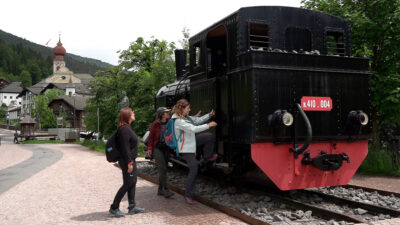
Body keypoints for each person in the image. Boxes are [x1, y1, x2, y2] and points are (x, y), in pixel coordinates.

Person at [172, 99, 218, 204]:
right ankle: (188, 195)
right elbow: (193, 128)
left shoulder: (185, 117)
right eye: (188, 108)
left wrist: (209, 115)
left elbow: (197, 121)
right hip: (186, 148)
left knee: (208, 136)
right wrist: (208, 125)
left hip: (191, 142)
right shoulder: (179, 121)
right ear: (182, 109)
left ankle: (207, 156)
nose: (190, 110)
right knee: (194, 169)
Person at [109, 107, 144, 217]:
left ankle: (132, 207)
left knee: (132, 182)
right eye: (132, 112)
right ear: (127, 115)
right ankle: (114, 207)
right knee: (128, 183)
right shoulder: (124, 129)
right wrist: (129, 163)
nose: (134, 113)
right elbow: (125, 148)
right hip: (127, 160)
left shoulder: (127, 128)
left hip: (130, 160)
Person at [147, 107, 175, 198]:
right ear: (162, 114)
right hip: (157, 148)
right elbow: (151, 137)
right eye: (166, 112)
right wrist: (150, 148)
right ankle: (166, 190)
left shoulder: (170, 122)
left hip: (166, 148)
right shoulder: (155, 124)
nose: (168, 113)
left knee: (164, 169)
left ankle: (160, 190)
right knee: (162, 168)